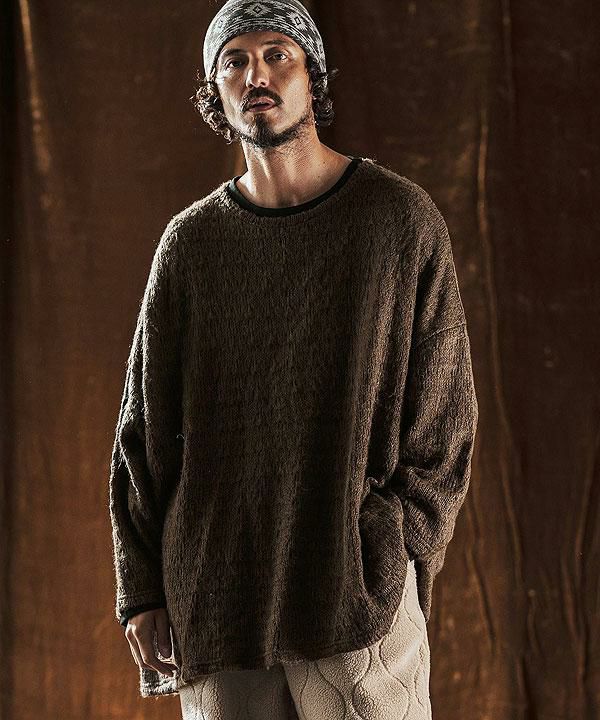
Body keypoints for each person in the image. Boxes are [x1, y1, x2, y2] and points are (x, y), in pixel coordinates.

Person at [108, 0, 478, 716]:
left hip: (355, 599)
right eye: (235, 61)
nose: (257, 76)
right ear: (215, 92)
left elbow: (444, 422)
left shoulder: (397, 221)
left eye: (277, 54)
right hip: (218, 603)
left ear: (313, 76)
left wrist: (387, 548)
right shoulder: (190, 247)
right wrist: (143, 588)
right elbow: (141, 434)